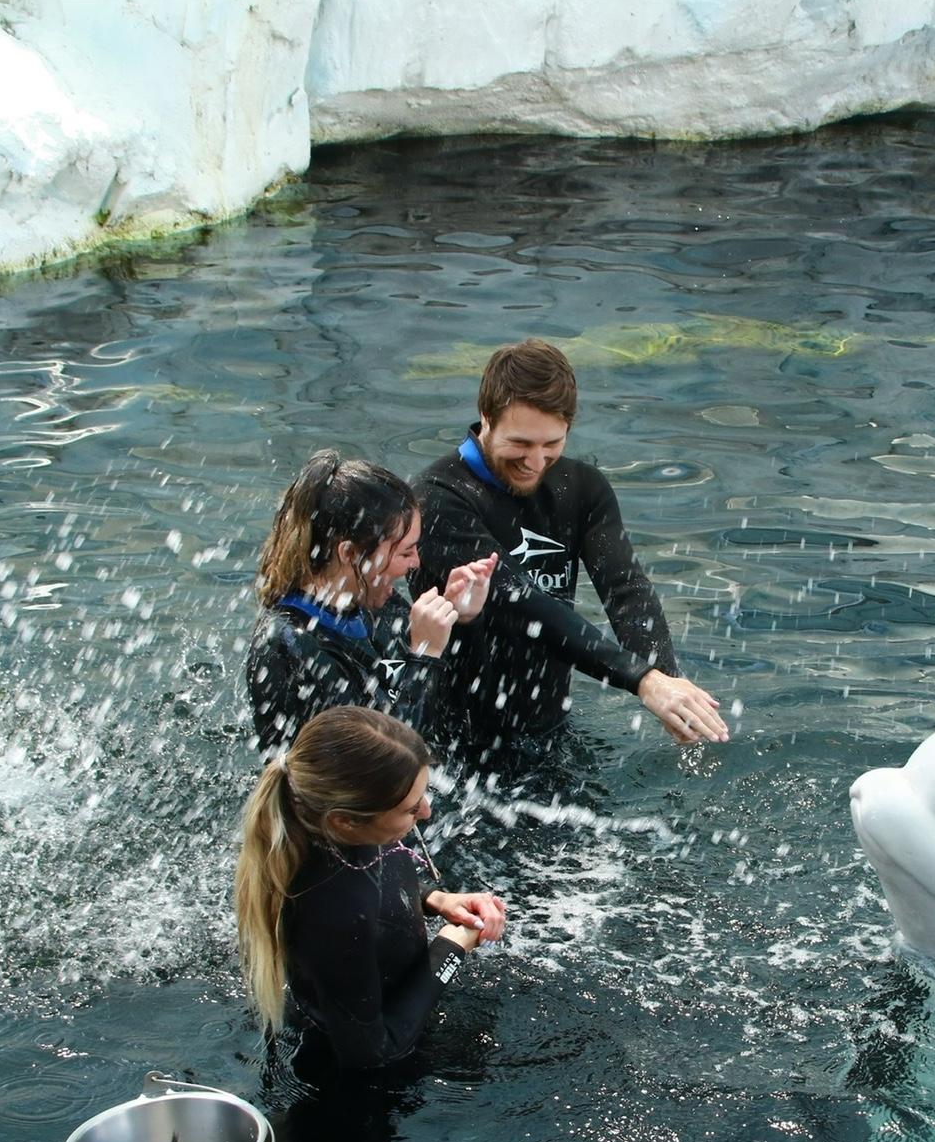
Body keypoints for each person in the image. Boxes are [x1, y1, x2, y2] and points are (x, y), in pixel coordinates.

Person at [409, 338, 729, 760]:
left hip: (549, 731)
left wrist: (668, 684)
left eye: (551, 445)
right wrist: (640, 678)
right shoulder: (438, 497)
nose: (536, 462)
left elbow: (625, 588)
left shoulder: (582, 488)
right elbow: (523, 603)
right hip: (451, 742)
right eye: (520, 444)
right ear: (486, 417)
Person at [234, 705, 507, 1071]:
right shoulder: (332, 909)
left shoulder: (342, 831)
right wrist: (452, 946)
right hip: (355, 1088)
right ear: (346, 822)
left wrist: (436, 899)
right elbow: (373, 1052)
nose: (426, 812)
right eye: (411, 809)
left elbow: (380, 877)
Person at [246, 449, 497, 754]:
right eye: (405, 552)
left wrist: (465, 624)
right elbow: (388, 766)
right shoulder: (289, 645)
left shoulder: (381, 609)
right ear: (350, 553)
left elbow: (465, 721)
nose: (416, 563)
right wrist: (425, 654)